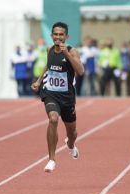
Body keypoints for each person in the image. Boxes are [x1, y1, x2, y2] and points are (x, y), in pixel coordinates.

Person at [31, 22, 84, 172]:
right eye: (56, 34)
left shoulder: (72, 51)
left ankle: (71, 144)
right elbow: (48, 65)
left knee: (72, 133)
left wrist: (66, 54)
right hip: (51, 93)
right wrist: (39, 81)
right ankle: (51, 159)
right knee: (53, 119)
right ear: (51, 36)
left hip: (67, 97)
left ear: (66, 36)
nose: (58, 37)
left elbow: (80, 71)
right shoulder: (49, 50)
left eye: (61, 35)